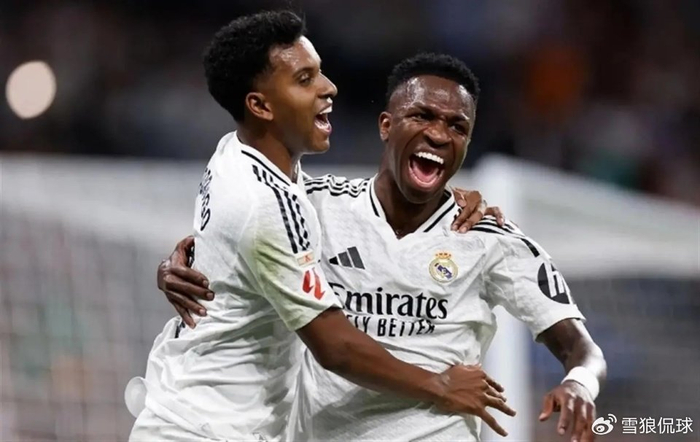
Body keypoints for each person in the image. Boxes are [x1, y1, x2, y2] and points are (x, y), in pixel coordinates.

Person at [160, 53, 607, 442]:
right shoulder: (316, 206)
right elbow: (240, 229)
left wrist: (580, 384)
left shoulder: (493, 240)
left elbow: (583, 349)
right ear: (386, 125)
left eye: (457, 126)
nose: (439, 134)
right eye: (423, 116)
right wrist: (176, 262)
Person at [127, 11, 515, 442]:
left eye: (320, 72)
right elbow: (336, 347)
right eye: (305, 79)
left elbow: (241, 236)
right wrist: (441, 385)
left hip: (195, 415)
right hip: (206, 429)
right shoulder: (265, 204)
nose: (329, 88)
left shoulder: (239, 153)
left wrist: (442, 197)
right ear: (260, 106)